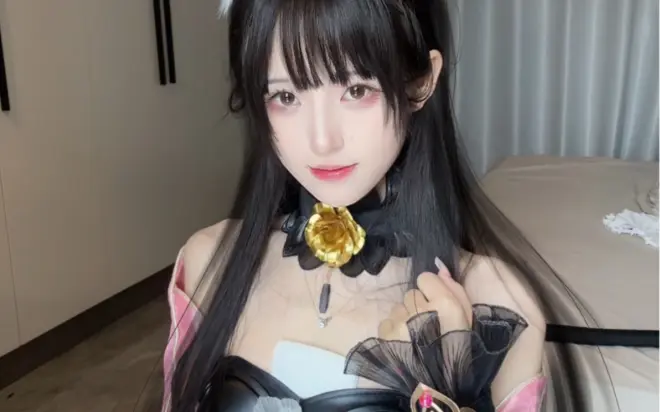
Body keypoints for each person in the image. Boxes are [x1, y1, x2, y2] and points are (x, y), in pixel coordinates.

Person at [161, 0, 590, 410]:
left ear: (421, 83)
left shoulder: (498, 307)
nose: (322, 141)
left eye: (356, 89)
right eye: (285, 96)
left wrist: (441, 395)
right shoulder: (209, 264)